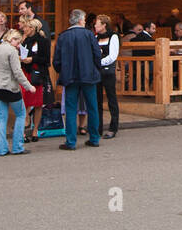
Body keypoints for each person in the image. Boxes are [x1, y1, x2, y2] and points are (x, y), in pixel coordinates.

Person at [53, 9, 103, 150]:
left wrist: (62, 71)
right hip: (88, 75)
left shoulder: (63, 36)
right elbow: (96, 55)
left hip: (70, 77)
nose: (85, 21)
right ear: (81, 20)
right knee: (92, 107)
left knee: (70, 108)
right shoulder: (89, 34)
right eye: (84, 19)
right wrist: (95, 69)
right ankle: (94, 138)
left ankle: (71, 141)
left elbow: (57, 60)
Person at [0, 29, 36, 156]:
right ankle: (17, 146)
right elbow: (17, 72)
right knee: (20, 115)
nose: (18, 45)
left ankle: (2, 148)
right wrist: (28, 86)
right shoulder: (12, 51)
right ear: (12, 39)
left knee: (2, 117)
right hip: (11, 88)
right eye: (18, 42)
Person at [19, 18, 49, 141]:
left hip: (37, 74)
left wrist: (33, 59)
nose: (24, 29)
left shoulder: (43, 41)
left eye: (26, 27)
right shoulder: (25, 41)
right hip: (26, 73)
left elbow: (46, 60)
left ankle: (35, 130)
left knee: (37, 104)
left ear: (32, 28)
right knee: (23, 102)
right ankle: (23, 130)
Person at [94, 14, 121, 140]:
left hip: (108, 71)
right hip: (97, 72)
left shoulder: (113, 36)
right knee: (97, 100)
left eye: (97, 23)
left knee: (111, 99)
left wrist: (99, 62)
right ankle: (97, 127)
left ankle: (113, 127)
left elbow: (112, 56)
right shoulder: (95, 37)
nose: (95, 25)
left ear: (104, 25)